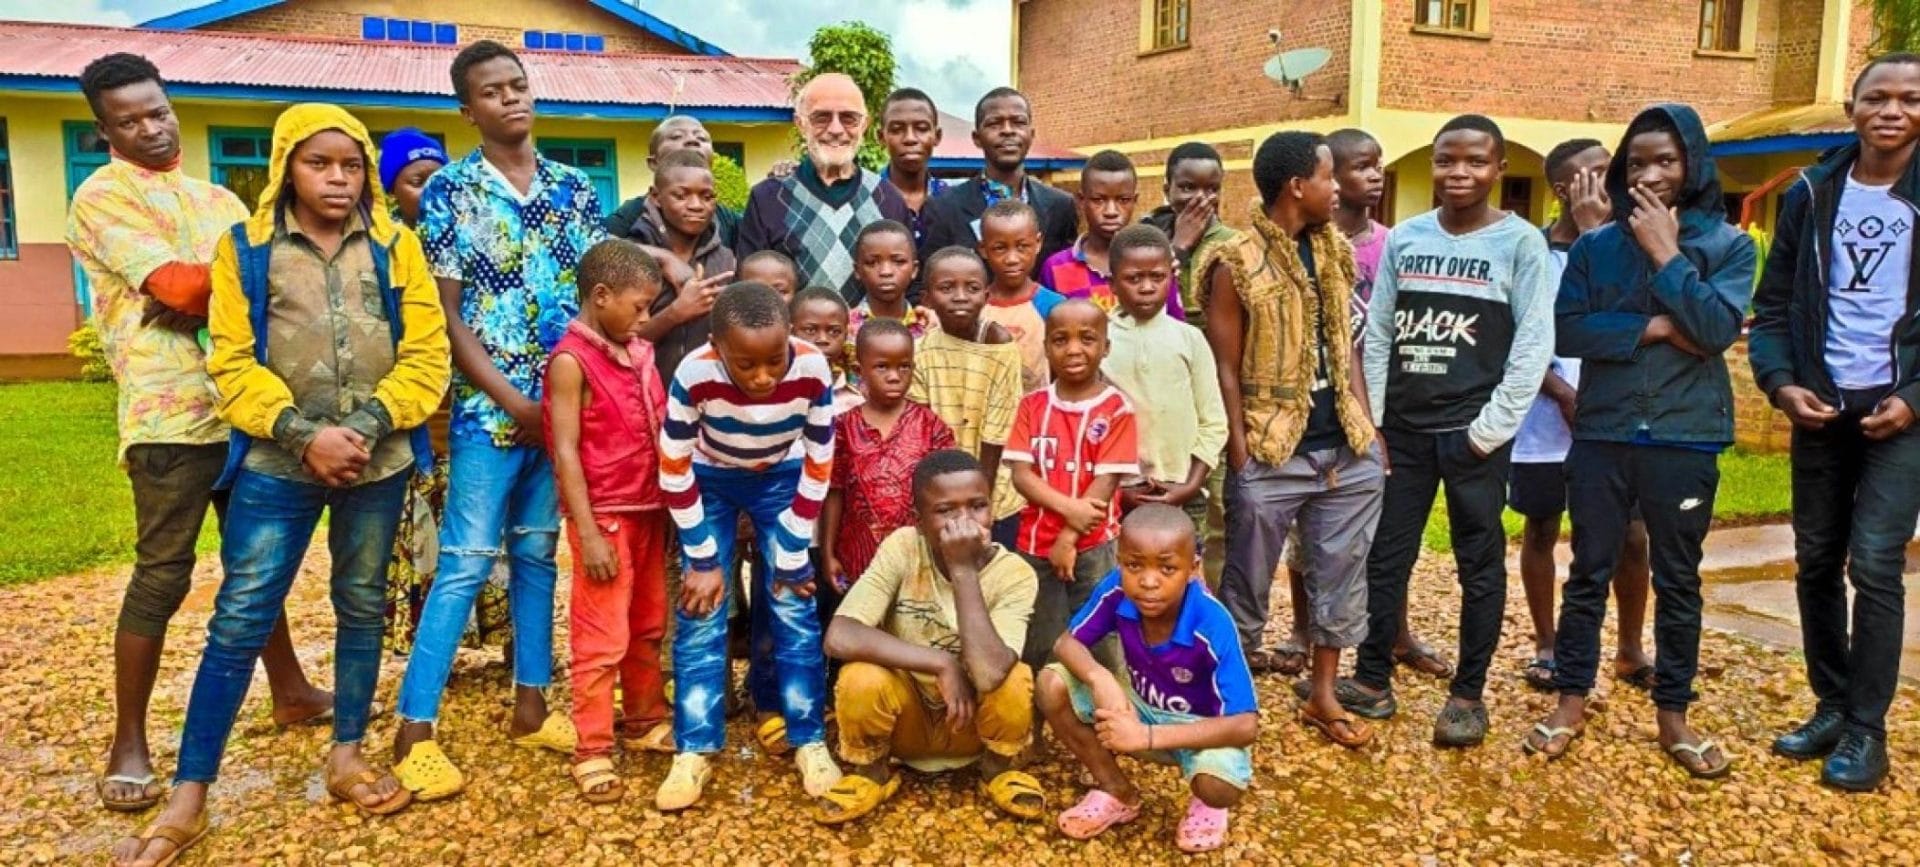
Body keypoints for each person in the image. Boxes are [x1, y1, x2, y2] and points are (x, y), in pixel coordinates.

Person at [111, 102, 451, 866]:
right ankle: (189, 795)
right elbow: (231, 361)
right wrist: (303, 435)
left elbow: (426, 353)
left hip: (376, 461)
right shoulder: (247, 249)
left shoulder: (396, 246)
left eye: (351, 164)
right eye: (318, 163)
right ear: (285, 167)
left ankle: (347, 754)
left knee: (360, 602)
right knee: (240, 615)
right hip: (275, 464)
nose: (337, 179)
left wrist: (365, 426)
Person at [67, 52, 332, 817]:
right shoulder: (101, 196)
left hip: (245, 405)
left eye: (158, 111)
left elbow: (265, 282)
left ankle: (289, 689)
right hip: (169, 415)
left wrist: (204, 295)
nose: (151, 128)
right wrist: (210, 291)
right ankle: (129, 742)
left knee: (258, 558)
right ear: (105, 130)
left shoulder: (217, 198)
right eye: (129, 121)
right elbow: (184, 285)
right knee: (164, 571)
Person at [393, 40, 606, 799]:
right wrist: (515, 401)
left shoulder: (574, 188)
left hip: (562, 410)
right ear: (467, 109)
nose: (511, 98)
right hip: (491, 412)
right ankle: (414, 729)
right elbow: (448, 316)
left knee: (539, 554)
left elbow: (594, 302)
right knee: (466, 558)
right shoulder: (449, 192)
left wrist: (563, 401)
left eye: (519, 85)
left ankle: (532, 706)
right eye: (493, 91)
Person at [1525, 105, 1756, 780]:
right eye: (1637, 163)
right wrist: (1653, 328)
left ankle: (1674, 714)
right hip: (1603, 429)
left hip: (1686, 433)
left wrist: (1665, 253)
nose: (1650, 174)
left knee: (1678, 577)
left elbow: (1717, 330)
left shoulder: (1729, 245)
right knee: (1588, 569)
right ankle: (1571, 699)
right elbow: (1568, 331)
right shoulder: (1595, 247)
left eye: (1666, 161)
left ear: (1693, 165)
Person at [1352, 115, 1554, 747]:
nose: (1458, 173)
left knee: (1479, 564)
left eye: (1475, 161)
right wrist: (1376, 421)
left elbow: (1533, 343)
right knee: (1387, 557)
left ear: (1498, 169)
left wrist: (1488, 431)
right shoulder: (1408, 238)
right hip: (1403, 432)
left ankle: (1468, 694)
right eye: (1446, 160)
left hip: (1472, 436)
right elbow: (1379, 332)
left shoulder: (1520, 244)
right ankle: (1371, 678)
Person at [1751, 52, 1920, 793]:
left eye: (1910, 99)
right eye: (1877, 97)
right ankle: (1831, 703)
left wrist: (1915, 397)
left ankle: (1866, 728)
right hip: (1821, 408)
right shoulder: (1813, 191)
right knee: (1816, 558)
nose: (1892, 111)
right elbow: (1772, 306)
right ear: (1852, 109)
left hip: (1900, 412)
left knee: (1875, 562)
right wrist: (1782, 384)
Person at [1197, 132, 1385, 750]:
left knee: (1340, 572)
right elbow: (1224, 365)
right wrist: (1240, 449)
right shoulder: (1235, 262)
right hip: (1272, 446)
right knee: (1246, 583)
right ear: (1297, 187)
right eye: (1329, 177)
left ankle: (1323, 695)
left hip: (1345, 450)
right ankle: (1226, 699)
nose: (1338, 189)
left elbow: (1347, 346)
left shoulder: (1334, 251)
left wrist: (1368, 429)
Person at [1271, 127, 1450, 684]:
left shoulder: (1393, 244)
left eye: (1379, 165)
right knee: (1310, 532)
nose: (1375, 176)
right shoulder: (1305, 244)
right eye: (1359, 167)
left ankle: (1395, 630)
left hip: (1384, 401)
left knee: (1389, 530)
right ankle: (1304, 629)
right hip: (1318, 409)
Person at [655, 281, 841, 810]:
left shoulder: (811, 367)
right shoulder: (694, 372)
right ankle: (693, 748)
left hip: (783, 476)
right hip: (709, 477)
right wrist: (702, 557)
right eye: (746, 365)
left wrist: (792, 549)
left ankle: (808, 739)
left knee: (793, 603)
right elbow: (673, 467)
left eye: (774, 361)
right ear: (716, 348)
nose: (763, 378)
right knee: (701, 608)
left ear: (790, 339)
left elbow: (819, 459)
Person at [815, 449, 1045, 825]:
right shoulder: (904, 546)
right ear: (919, 521)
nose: (964, 522)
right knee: (859, 676)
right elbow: (839, 636)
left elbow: (988, 675)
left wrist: (963, 569)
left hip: (970, 724)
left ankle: (997, 768)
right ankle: (871, 772)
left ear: (992, 511)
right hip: (906, 722)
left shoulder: (1014, 573)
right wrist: (941, 663)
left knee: (1014, 676)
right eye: (945, 510)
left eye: (977, 506)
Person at [1513, 139, 1654, 693]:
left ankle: (1630, 649)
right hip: (1544, 426)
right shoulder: (1534, 252)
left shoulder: (1630, 243)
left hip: (1615, 419)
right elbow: (1520, 337)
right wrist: (1564, 395)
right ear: (1561, 189)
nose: (1609, 180)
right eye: (1593, 173)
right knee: (1543, 527)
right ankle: (1548, 645)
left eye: (1610, 169)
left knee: (1632, 535)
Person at [1038, 505, 1258, 855]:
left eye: (1167, 568)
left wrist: (1147, 736)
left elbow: (1246, 725)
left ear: (1193, 569)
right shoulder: (1117, 591)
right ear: (1119, 562)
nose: (1149, 581)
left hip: (1200, 728)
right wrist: (1100, 678)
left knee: (1218, 786)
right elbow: (1066, 643)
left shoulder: (1212, 622)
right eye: (1134, 565)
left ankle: (1207, 806)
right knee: (1052, 684)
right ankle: (1117, 791)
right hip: (1141, 709)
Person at [543, 239, 675, 803]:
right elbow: (565, 449)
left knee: (648, 621)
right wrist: (589, 532)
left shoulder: (639, 350)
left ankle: (644, 718)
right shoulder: (571, 361)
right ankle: (592, 748)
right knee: (601, 636)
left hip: (649, 509)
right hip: (606, 517)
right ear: (601, 296)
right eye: (639, 307)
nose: (646, 318)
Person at [1006, 299, 1140, 679]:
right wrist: (1070, 511)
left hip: (1094, 546)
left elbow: (1105, 482)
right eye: (1061, 340)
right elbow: (1022, 476)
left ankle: (1111, 710)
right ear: (1046, 347)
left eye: (1087, 338)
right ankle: (1038, 711)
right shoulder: (1032, 406)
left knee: (1101, 635)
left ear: (1105, 347)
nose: (1074, 349)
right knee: (1038, 637)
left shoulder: (1117, 409)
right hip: (1034, 545)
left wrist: (1068, 537)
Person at [1102, 224, 1225, 550]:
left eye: (1157, 277)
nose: (1146, 288)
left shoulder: (1189, 339)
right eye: (1134, 279)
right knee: (1124, 571)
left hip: (1184, 488)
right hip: (1118, 493)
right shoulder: (1099, 340)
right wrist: (1116, 490)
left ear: (1171, 277)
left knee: (1179, 570)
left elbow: (1213, 422)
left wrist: (1191, 484)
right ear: (1112, 283)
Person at [737, 73, 911, 302]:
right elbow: (749, 292)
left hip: (873, 327)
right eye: (821, 118)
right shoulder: (767, 199)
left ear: (864, 125)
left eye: (848, 118)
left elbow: (908, 286)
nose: (836, 129)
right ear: (801, 124)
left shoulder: (888, 199)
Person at [823, 318, 958, 591]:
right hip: (857, 558)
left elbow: (948, 495)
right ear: (860, 371)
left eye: (903, 366)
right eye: (882, 367)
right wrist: (827, 553)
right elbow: (834, 492)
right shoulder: (843, 427)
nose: (894, 376)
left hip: (919, 557)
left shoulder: (931, 426)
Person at [908, 247, 1026, 546]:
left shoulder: (999, 346)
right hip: (940, 491)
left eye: (972, 288)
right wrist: (942, 495)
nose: (960, 297)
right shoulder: (920, 352)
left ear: (986, 296)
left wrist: (978, 503)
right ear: (926, 298)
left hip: (993, 489)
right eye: (947, 288)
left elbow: (996, 434)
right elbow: (923, 430)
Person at [922, 87, 1077, 275]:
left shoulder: (1061, 206)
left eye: (1018, 122)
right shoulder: (943, 208)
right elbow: (928, 279)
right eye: (994, 124)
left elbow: (1067, 276)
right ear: (977, 138)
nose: (1007, 131)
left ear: (1031, 134)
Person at [629, 148, 739, 388]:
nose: (696, 205)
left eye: (707, 197)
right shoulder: (631, 257)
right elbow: (618, 344)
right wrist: (676, 313)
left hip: (710, 396)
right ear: (655, 197)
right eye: (681, 196)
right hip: (642, 395)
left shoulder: (727, 260)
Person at [1041, 151, 1186, 320]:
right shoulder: (1055, 267)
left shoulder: (1155, 264)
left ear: (1134, 200)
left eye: (1123, 200)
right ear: (1081, 200)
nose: (1111, 211)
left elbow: (1174, 325)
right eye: (1099, 200)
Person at [604, 115, 742, 244]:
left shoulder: (729, 223)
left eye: (701, 138)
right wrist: (664, 257)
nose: (692, 140)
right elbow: (601, 246)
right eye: (676, 136)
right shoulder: (630, 217)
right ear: (654, 163)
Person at [979, 199, 1068, 393]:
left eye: (1022, 246)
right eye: (1000, 248)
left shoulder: (1053, 306)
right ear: (983, 249)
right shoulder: (975, 306)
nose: (1012, 259)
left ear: (1038, 243)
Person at [1142, 142, 1240, 318]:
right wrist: (1178, 247)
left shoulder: (1234, 245)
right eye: (1188, 187)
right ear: (1167, 191)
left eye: (1212, 189)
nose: (1201, 198)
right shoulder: (1144, 242)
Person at [876, 88, 949, 250]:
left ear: (937, 136)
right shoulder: (866, 198)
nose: (910, 138)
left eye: (921, 128)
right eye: (897, 129)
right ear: (881, 137)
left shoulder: (952, 201)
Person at [847, 220, 933, 344]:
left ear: (914, 270)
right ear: (857, 270)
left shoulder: (929, 327)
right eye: (872, 263)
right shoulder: (844, 329)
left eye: (898, 262)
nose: (886, 272)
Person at [379, 128, 450, 228]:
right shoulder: (383, 236)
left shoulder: (466, 230)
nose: (433, 191)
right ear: (392, 193)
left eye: (440, 180)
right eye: (418, 182)